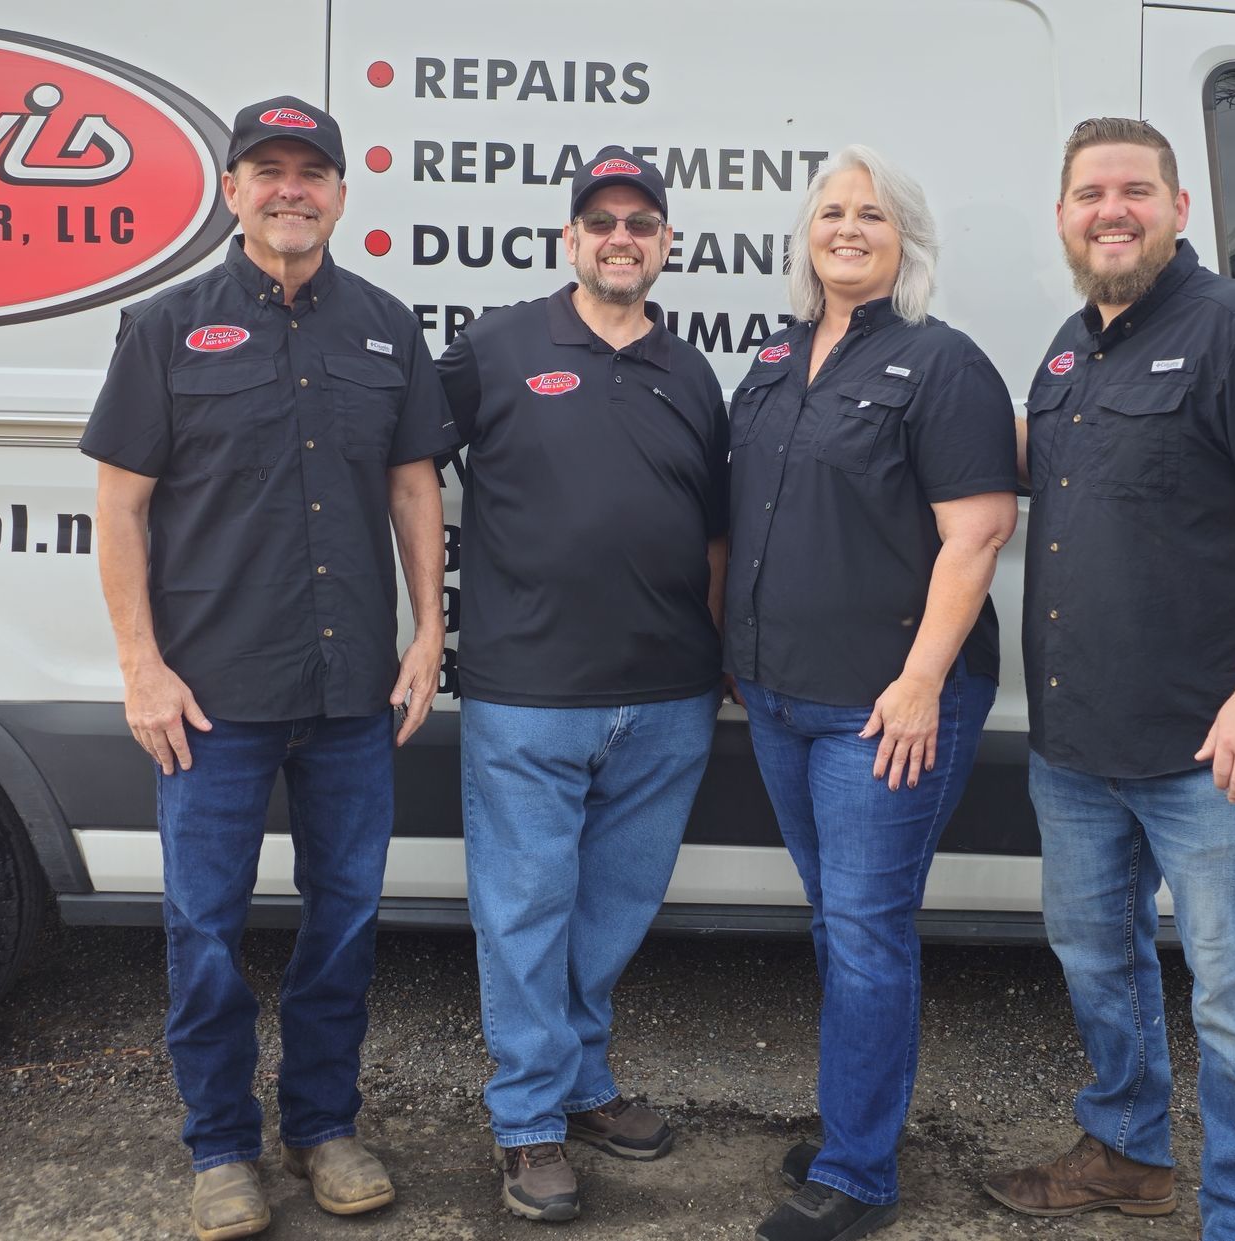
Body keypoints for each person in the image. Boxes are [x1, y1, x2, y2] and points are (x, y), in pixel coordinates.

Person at [81, 95, 456, 1241]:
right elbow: (120, 507)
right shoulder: (164, 329)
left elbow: (412, 490)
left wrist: (432, 631)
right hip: (210, 700)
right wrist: (140, 665)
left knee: (344, 921)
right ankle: (221, 1146)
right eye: (268, 170)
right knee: (204, 926)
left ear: (342, 194)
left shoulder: (389, 327)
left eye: (312, 171)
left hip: (351, 695)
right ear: (233, 188)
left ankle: (324, 1124)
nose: (290, 189)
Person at [983, 117, 1235, 1241]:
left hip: (1209, 740)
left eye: (1134, 189)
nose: (1111, 210)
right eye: (1090, 193)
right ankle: (1129, 1153)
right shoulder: (1068, 347)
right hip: (1080, 739)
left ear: (1179, 208)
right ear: (1063, 217)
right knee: (1101, 959)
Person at [725, 146, 1020, 1241]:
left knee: (865, 925)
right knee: (841, 918)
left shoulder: (942, 365)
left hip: (884, 706)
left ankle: (859, 1170)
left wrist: (920, 684)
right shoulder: (773, 357)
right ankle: (862, 1121)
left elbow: (979, 529)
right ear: (806, 236)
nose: (849, 228)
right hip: (779, 694)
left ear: (909, 244)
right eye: (832, 212)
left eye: (875, 215)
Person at [436, 147, 729, 1223]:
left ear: (663, 243)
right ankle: (527, 1122)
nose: (620, 238)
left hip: (667, 695)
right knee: (526, 909)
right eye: (600, 221)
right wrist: (431, 624)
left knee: (609, 909)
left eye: (639, 223)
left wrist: (721, 648)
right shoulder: (496, 347)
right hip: (528, 689)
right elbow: (407, 470)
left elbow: (714, 532)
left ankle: (582, 1077)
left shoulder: (690, 371)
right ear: (569, 238)